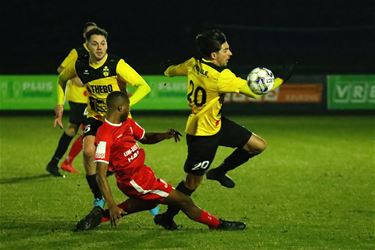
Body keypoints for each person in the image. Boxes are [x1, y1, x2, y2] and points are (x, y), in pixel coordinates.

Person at [155, 29, 293, 230]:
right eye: (226, 50)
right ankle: (167, 217)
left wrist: (167, 70)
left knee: (258, 145)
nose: (230, 53)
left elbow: (174, 69)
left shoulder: (194, 63)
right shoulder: (222, 76)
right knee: (192, 182)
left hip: (217, 123)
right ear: (214, 55)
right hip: (202, 135)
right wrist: (281, 78)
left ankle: (219, 171)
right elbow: (255, 92)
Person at [74, 91, 246, 231]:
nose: (129, 109)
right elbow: (101, 176)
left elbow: (146, 137)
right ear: (120, 107)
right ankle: (218, 225)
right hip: (135, 181)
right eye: (128, 107)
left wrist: (165, 135)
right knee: (184, 200)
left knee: (148, 201)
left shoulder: (127, 123)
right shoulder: (104, 135)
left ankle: (100, 217)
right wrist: (112, 204)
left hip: (143, 174)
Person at [54, 27, 151, 218]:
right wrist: (60, 104)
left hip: (118, 121)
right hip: (96, 117)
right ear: (87, 46)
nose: (99, 48)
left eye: (103, 43)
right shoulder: (80, 65)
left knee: (125, 165)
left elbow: (144, 86)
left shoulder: (117, 64)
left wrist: (126, 106)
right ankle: (98, 197)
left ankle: (149, 201)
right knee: (89, 151)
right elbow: (61, 79)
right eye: (95, 44)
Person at [46, 21, 97, 177]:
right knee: (92, 130)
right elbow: (61, 69)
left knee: (74, 130)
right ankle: (103, 168)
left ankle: (56, 162)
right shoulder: (78, 51)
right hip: (77, 98)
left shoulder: (96, 52)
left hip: (89, 98)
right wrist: (75, 78)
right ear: (84, 36)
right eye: (89, 34)